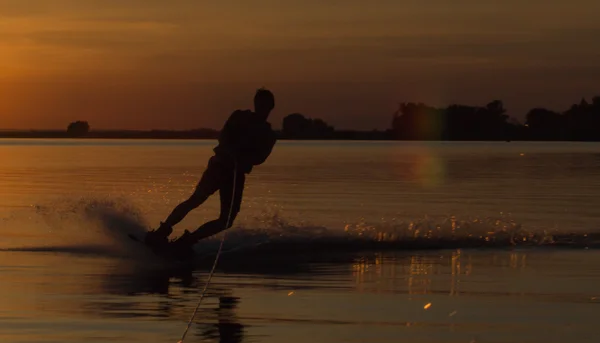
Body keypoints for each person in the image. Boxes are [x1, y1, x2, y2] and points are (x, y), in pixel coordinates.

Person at [144, 88, 277, 257]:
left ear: (271, 107)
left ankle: (188, 241)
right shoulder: (239, 116)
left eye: (265, 105)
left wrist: (244, 159)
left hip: (235, 175)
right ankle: (161, 232)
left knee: (227, 220)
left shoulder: (268, 135)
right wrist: (230, 151)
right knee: (196, 200)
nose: (261, 107)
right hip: (219, 167)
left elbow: (260, 158)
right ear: (255, 103)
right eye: (259, 103)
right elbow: (223, 136)